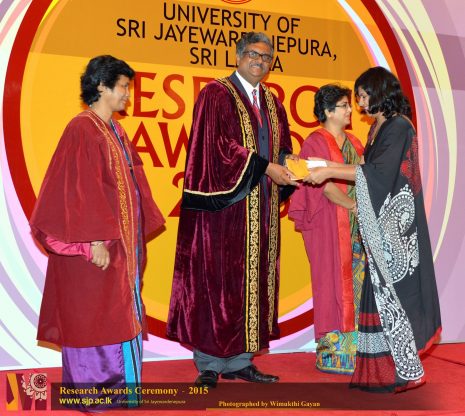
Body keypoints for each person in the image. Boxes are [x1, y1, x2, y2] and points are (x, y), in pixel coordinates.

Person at [30, 55, 165, 408]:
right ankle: (97, 395)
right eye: (123, 87)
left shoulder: (115, 131)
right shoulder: (82, 128)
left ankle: (122, 391)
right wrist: (93, 241)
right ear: (102, 86)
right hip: (94, 249)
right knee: (93, 316)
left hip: (121, 249)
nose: (128, 95)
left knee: (116, 313)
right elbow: (78, 190)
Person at [167, 32, 297, 388]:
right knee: (217, 284)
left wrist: (292, 165)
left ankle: (241, 361)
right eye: (253, 54)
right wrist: (266, 166)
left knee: (251, 285)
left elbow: (281, 148)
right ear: (238, 56)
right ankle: (209, 363)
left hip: (261, 211)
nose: (260, 61)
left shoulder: (273, 103)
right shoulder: (216, 94)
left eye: (266, 57)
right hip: (223, 211)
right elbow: (216, 148)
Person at [304, 67, 441, 392]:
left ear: (379, 92)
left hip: (395, 231)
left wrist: (328, 171)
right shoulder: (378, 128)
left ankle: (407, 370)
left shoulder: (398, 126)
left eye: (363, 96)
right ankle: (385, 372)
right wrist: (327, 168)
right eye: (355, 99)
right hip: (378, 228)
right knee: (381, 301)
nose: (359, 104)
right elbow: (367, 170)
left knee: (398, 300)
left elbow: (378, 174)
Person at [288, 84, 366, 374]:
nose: (350, 110)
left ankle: (359, 352)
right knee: (330, 282)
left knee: (359, 285)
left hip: (357, 228)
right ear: (328, 111)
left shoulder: (355, 141)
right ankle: (333, 355)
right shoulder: (315, 142)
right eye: (344, 105)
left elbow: (366, 175)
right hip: (329, 224)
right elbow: (324, 185)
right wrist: (353, 205)